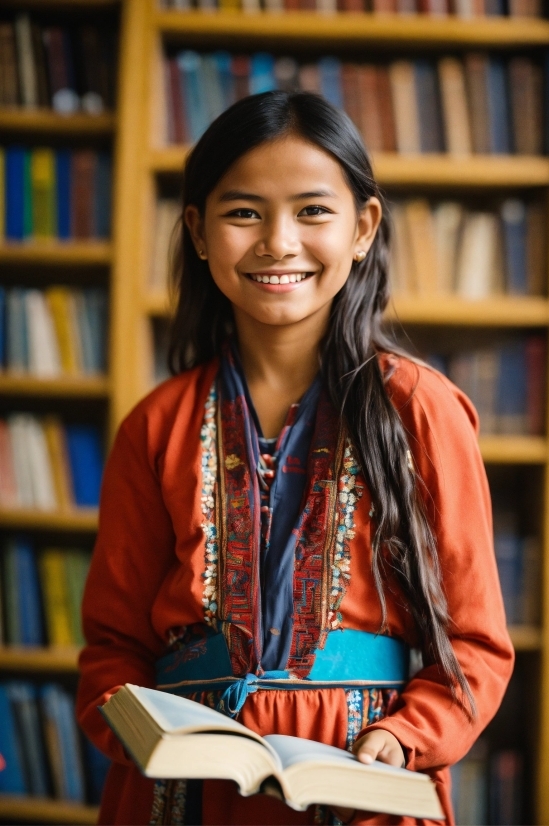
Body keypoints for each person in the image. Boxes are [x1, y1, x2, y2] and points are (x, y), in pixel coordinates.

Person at [76, 91, 514, 826]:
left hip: (358, 781)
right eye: (243, 212)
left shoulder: (421, 410)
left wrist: (403, 737)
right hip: (184, 792)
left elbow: (474, 644)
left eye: (313, 211)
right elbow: (113, 647)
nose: (278, 242)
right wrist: (136, 730)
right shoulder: (155, 425)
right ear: (198, 231)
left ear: (363, 228)